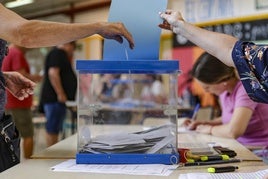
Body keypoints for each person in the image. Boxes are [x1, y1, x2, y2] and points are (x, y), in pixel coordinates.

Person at [0, 3, 134, 171]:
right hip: (51, 101)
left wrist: (3, 76)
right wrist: (98, 27)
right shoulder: (57, 54)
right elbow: (24, 33)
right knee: (51, 129)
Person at [159, 10, 268, 103]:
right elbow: (233, 50)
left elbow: (232, 50)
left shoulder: (241, 91)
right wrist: (182, 27)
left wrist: (182, 27)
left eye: (207, 87)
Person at [183, 52, 268, 150]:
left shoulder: (246, 89)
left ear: (223, 81)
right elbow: (230, 119)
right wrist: (206, 123)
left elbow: (233, 131)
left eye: (207, 87)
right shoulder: (224, 92)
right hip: (243, 146)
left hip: (261, 150)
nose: (206, 91)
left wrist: (210, 129)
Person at [2, 44, 42, 159]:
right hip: (19, 102)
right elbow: (21, 74)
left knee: (9, 136)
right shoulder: (17, 54)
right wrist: (35, 78)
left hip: (10, 101)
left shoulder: (9, 52)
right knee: (28, 134)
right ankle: (28, 163)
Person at [39, 42, 77, 147]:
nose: (72, 52)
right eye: (72, 49)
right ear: (69, 45)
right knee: (52, 129)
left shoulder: (59, 54)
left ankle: (53, 153)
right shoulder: (58, 53)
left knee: (55, 129)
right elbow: (53, 73)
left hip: (56, 100)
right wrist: (61, 93)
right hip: (54, 99)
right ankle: (51, 155)